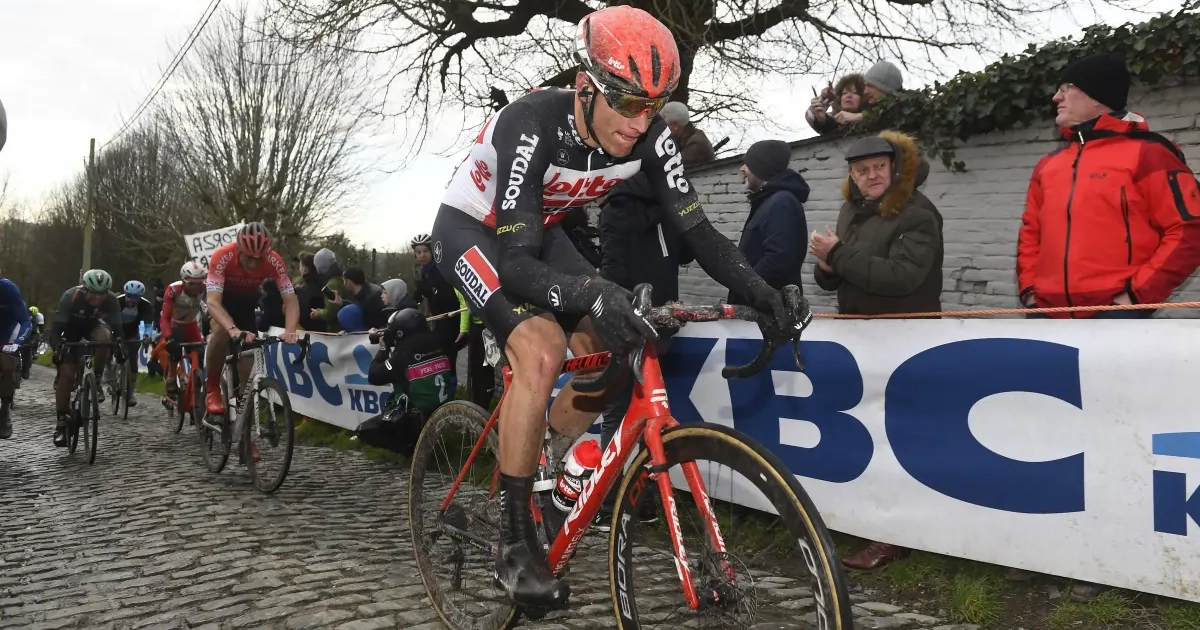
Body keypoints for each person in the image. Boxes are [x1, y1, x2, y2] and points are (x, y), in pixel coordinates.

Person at [429, 5, 799, 608]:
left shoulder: (651, 137)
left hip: (539, 230)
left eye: (654, 105)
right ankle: (514, 540)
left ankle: (546, 461)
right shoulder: (531, 122)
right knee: (542, 348)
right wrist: (594, 292)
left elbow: (699, 231)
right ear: (586, 86)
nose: (640, 122)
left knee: (617, 338)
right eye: (626, 102)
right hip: (474, 230)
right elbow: (516, 264)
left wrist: (762, 291)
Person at [1017, 52, 1200, 320]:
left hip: (1116, 316)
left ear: (1096, 96)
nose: (1056, 98)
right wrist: (1031, 294)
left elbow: (1189, 230)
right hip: (1046, 314)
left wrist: (1134, 298)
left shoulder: (1149, 154)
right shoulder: (1048, 164)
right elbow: (1031, 233)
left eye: (1067, 88)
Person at [203, 222, 300, 416]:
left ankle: (243, 416)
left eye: (259, 259)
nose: (254, 264)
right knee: (221, 332)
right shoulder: (222, 256)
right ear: (238, 249)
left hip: (246, 303)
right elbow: (213, 301)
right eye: (249, 257)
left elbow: (290, 299)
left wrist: (290, 330)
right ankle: (212, 388)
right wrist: (232, 329)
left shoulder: (274, 260)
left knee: (248, 363)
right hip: (222, 301)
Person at [728, 139, 811, 305]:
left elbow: (779, 259)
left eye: (748, 164)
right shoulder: (770, 201)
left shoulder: (781, 202)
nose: (742, 169)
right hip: (762, 306)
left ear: (762, 168)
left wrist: (746, 287)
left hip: (769, 310)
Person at [49, 270, 123, 446]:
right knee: (67, 375)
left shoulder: (111, 300)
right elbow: (55, 331)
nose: (98, 298)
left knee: (105, 338)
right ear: (85, 290)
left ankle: (96, 377)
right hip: (71, 331)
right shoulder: (70, 297)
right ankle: (61, 423)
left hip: (93, 328)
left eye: (102, 294)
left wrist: (120, 346)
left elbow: (118, 329)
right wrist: (58, 349)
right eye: (94, 293)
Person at [366, 308, 454, 451]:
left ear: (400, 333)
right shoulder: (440, 342)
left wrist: (383, 349)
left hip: (417, 414)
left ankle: (409, 450)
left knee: (365, 430)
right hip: (443, 408)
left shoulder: (403, 354)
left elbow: (374, 376)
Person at [412, 233, 467, 388]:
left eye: (425, 251)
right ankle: (447, 386)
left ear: (432, 251)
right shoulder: (422, 273)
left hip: (453, 319)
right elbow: (418, 296)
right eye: (418, 252)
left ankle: (453, 387)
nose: (422, 255)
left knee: (450, 355)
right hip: (438, 320)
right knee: (442, 355)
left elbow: (457, 297)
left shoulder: (442, 269)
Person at [160, 261, 208, 399]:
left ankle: (196, 390)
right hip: (174, 324)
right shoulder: (173, 289)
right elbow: (165, 318)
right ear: (184, 280)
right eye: (191, 284)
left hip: (191, 325)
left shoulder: (205, 289)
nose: (195, 288)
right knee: (175, 346)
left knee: (199, 355)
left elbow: (210, 310)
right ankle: (171, 376)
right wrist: (169, 338)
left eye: (199, 284)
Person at [0, 276, 32, 439]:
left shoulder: (8, 289)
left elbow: (26, 321)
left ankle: (4, 412)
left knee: (7, 367)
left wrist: (17, 343)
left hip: (7, 335)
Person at [116, 280, 155, 408]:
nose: (132, 300)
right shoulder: (117, 302)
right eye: (129, 296)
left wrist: (146, 336)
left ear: (140, 297)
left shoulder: (145, 305)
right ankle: (110, 372)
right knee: (113, 350)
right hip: (117, 330)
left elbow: (148, 325)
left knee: (133, 360)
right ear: (125, 294)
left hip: (132, 331)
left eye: (136, 297)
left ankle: (130, 392)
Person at [21, 306, 45, 380]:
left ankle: (34, 351)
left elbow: (40, 328)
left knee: (33, 342)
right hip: (22, 333)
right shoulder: (22, 315)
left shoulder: (39, 317)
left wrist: (40, 335)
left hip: (33, 333)